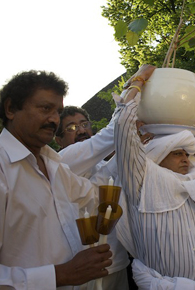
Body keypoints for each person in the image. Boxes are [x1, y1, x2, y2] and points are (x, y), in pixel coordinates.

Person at [0, 70, 112, 288]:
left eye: (58, 111)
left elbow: (94, 198)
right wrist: (60, 275)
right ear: (10, 109)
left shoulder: (54, 166)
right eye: (45, 108)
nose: (54, 119)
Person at [113, 64, 195, 288]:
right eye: (177, 153)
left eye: (186, 153)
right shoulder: (141, 178)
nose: (186, 158)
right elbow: (123, 125)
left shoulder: (192, 175)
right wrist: (139, 81)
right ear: (158, 154)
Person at [55, 105, 130, 290]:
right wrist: (128, 101)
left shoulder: (105, 165)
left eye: (84, 124)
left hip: (117, 265)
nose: (80, 130)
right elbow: (98, 189)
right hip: (80, 274)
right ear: (59, 140)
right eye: (71, 128)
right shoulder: (60, 163)